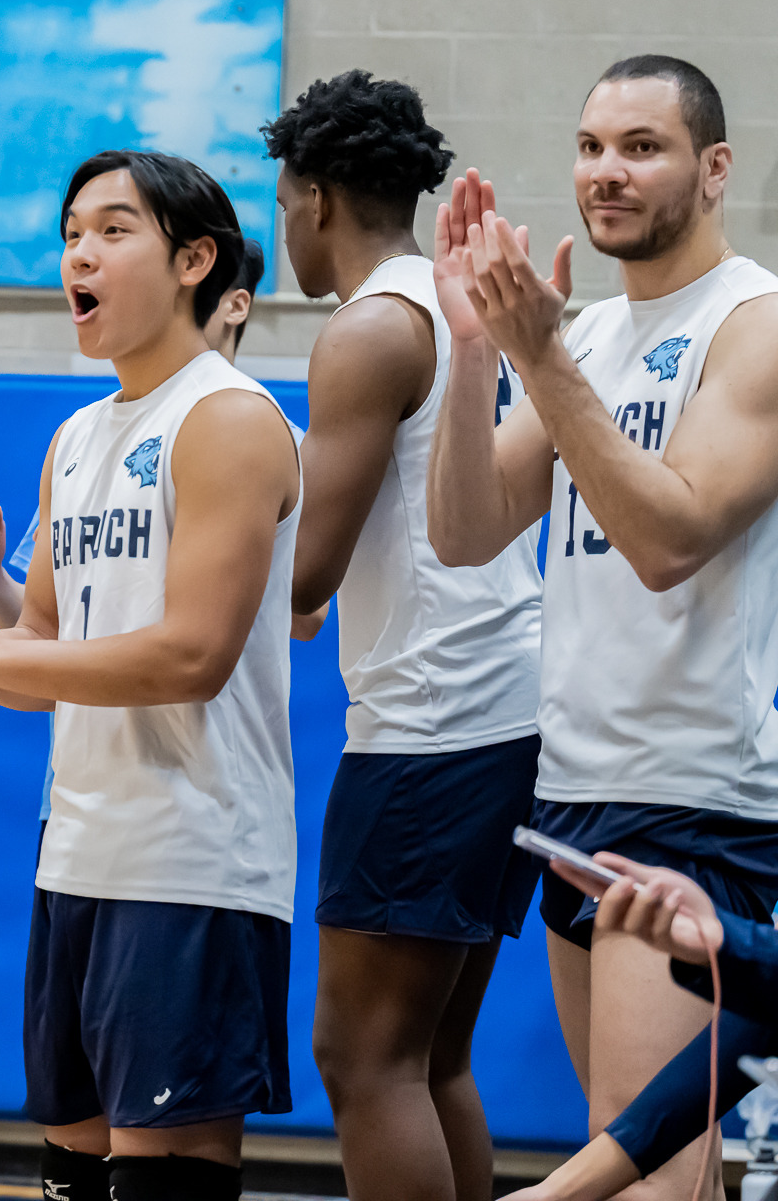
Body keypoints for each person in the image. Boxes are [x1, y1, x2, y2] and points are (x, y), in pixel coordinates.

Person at [0, 149, 301, 1201]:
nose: (77, 256)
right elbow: (39, 661)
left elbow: (193, 656)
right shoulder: (75, 435)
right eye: (68, 234)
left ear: (195, 259)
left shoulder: (229, 417)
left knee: (160, 1168)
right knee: (72, 1148)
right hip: (78, 849)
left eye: (110, 230)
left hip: (191, 858)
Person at [427, 54, 778, 1201]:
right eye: (589, 147)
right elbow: (468, 531)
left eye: (641, 147)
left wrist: (540, 355)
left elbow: (671, 537)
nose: (606, 173)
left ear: (714, 167)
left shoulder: (753, 324)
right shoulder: (596, 340)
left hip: (695, 798)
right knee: (657, 1170)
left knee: (644, 1183)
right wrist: (479, 347)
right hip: (577, 784)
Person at [263, 71, 544, 1201]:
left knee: (361, 1053)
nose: (283, 223)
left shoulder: (373, 326)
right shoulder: (446, 300)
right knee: (429, 1054)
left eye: (283, 199)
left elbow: (306, 574)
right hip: (501, 707)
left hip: (434, 722)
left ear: (315, 196)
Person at [0, 237, 263, 641]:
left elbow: (304, 612)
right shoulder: (77, 434)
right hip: (85, 705)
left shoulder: (253, 426)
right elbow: (47, 638)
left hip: (183, 701)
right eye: (74, 234)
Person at [500, 853, 769, 1201]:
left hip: (683, 821)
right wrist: (553, 1192)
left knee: (654, 1183)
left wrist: (556, 1192)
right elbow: (755, 1032)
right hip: (575, 813)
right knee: (666, 1174)